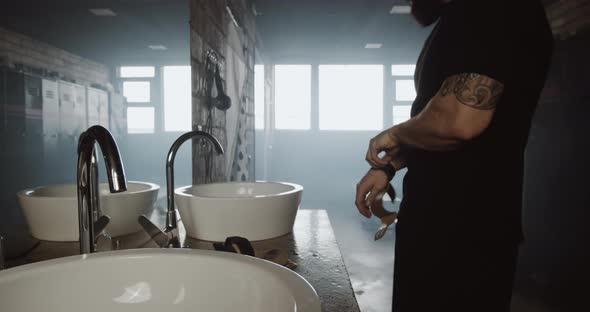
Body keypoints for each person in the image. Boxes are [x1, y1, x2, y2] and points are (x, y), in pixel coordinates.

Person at [354, 0, 554, 311]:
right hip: (446, 230)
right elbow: (440, 123)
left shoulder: (492, 9)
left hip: (461, 238)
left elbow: (460, 120)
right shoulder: (464, 16)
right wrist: (390, 165)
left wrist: (394, 134)